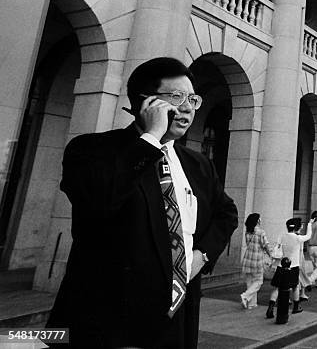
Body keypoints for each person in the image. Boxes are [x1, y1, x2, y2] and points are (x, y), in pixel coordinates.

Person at [46, 57, 239, 348]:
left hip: (177, 314)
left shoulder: (197, 164)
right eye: (176, 97)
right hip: (109, 320)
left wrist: (201, 256)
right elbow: (100, 203)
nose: (187, 107)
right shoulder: (92, 150)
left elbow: (226, 213)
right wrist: (150, 139)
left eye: (193, 99)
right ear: (146, 102)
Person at [266, 217, 313, 319]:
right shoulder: (297, 238)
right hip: (293, 266)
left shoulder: (282, 236)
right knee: (295, 286)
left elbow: (277, 249)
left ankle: (270, 307)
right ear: (297, 227)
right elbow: (309, 236)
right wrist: (310, 224)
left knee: (277, 288)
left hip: (281, 266)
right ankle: (296, 307)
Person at [241, 213, 272, 309]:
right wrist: (270, 255)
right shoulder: (261, 232)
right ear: (258, 221)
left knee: (250, 282)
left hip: (247, 259)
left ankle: (251, 303)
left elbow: (248, 244)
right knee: (258, 281)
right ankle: (245, 296)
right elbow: (265, 245)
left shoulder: (248, 232)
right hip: (257, 259)